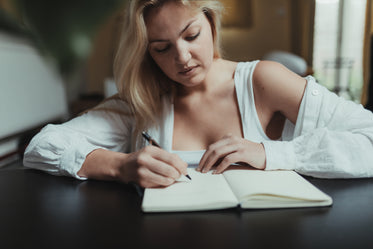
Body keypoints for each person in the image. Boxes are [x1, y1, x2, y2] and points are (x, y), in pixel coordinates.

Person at [24, 0, 373, 188]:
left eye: (191, 36)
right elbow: (41, 147)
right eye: (162, 48)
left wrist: (270, 152)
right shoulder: (144, 101)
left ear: (211, 23)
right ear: (147, 54)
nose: (183, 58)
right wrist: (122, 166)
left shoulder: (264, 80)